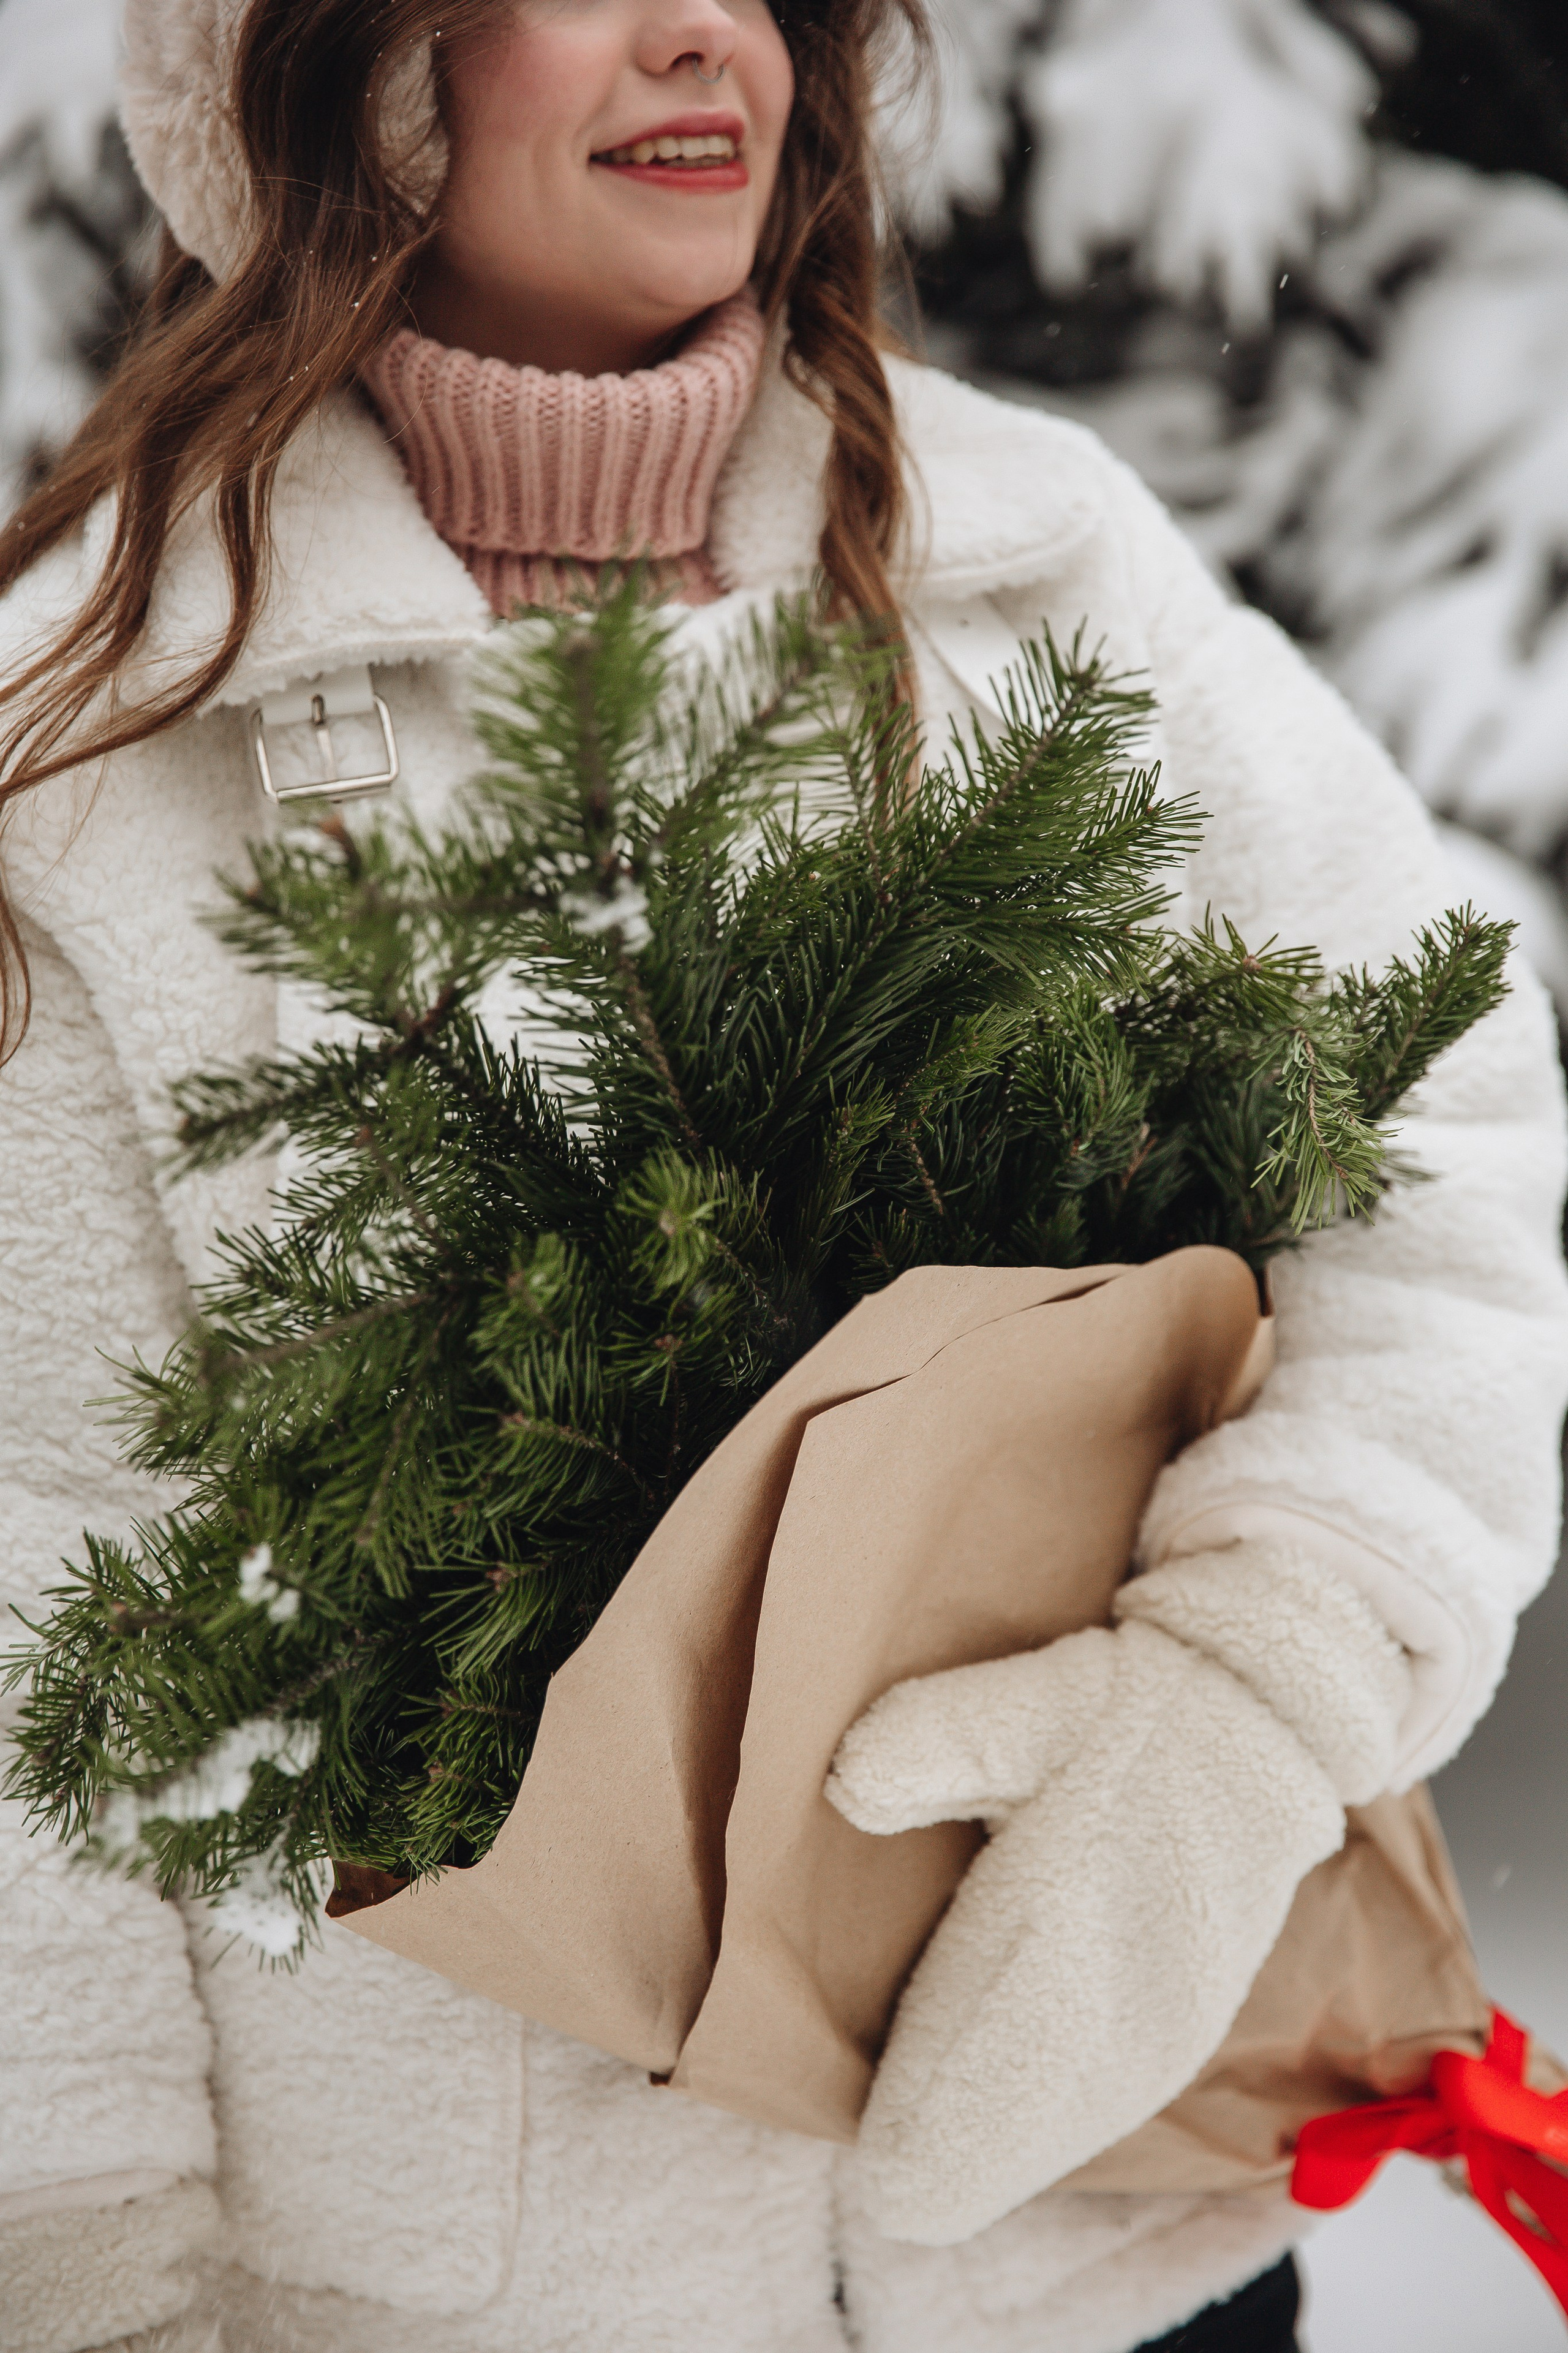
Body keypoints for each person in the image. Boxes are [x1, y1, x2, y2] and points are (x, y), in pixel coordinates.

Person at [1, 4, 1564, 2349]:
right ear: (350, 73)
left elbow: (1429, 1143)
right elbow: (45, 1570)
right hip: (424, 2300)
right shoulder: (109, 732)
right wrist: (83, 2248)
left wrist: (1244, 1692)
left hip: (1078, 2245)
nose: (699, 30)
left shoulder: (1041, 580)